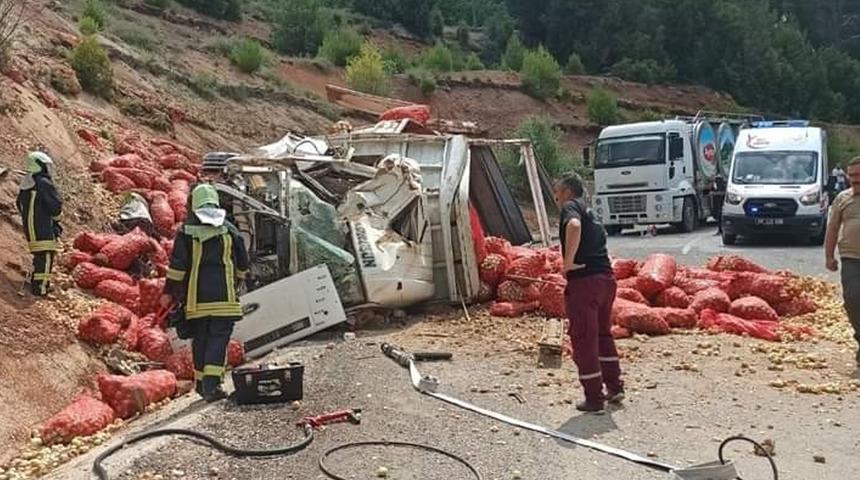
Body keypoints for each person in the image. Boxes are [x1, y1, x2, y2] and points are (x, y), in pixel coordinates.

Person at [160, 184, 249, 402]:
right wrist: (239, 280)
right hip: (224, 298)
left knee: (200, 339)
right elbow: (243, 263)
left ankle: (202, 384)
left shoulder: (186, 231)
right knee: (218, 339)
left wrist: (169, 291)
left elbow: (178, 267)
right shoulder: (230, 229)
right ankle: (211, 385)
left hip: (196, 301)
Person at [554, 172, 623, 413]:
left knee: (584, 340)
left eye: (557, 192)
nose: (556, 197)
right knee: (603, 336)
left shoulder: (571, 208)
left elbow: (573, 226)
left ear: (567, 192)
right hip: (605, 281)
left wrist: (568, 262)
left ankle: (594, 398)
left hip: (585, 283)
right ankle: (615, 386)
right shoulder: (590, 211)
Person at [825, 156, 860, 369]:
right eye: (852, 176)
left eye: (859, 176)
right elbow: (832, 228)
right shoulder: (842, 199)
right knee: (853, 299)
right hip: (851, 259)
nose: (855, 180)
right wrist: (829, 256)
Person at [16, 151, 62, 297]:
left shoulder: (27, 183)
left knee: (40, 254)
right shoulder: (43, 182)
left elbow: (19, 204)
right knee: (47, 254)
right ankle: (40, 288)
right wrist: (56, 221)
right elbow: (55, 205)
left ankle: (36, 280)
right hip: (41, 225)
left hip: (31, 226)